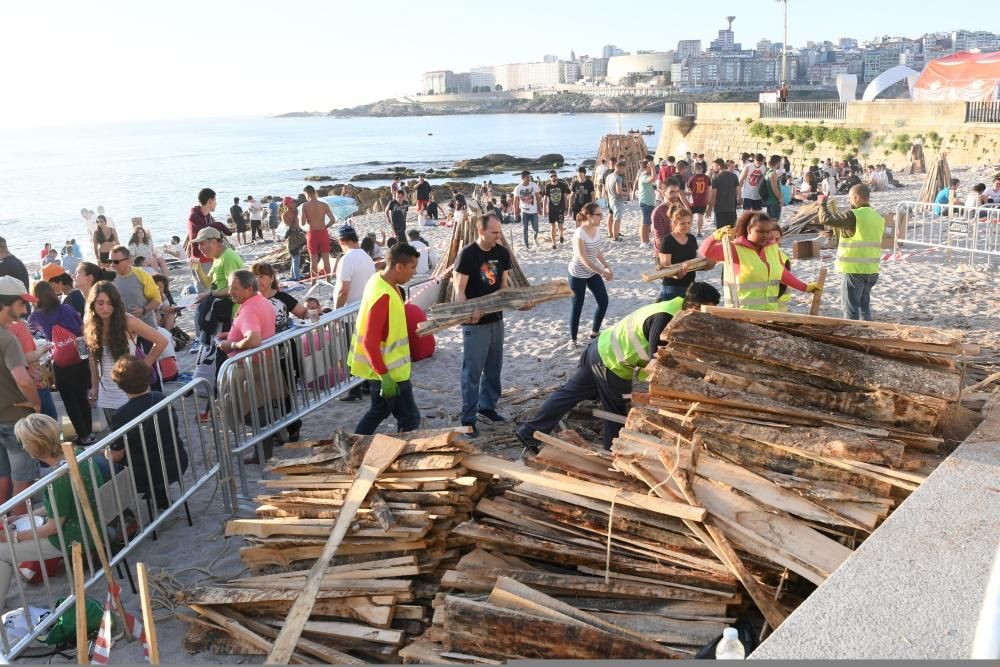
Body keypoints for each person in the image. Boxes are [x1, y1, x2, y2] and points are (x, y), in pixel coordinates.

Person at [517, 282, 722, 451]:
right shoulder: (666, 317)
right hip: (612, 360)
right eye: (707, 311)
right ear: (695, 307)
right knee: (616, 409)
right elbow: (657, 361)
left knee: (568, 394)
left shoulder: (675, 306)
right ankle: (613, 452)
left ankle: (529, 432)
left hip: (600, 348)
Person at [0, 414, 101, 604]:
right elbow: (60, 505)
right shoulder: (78, 454)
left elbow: (53, 528)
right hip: (92, 523)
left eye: (23, 442)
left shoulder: (58, 477)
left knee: (2, 553)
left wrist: (14, 537)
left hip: (76, 536)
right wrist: (26, 515)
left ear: (34, 445)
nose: (22, 446)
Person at [454, 213, 524, 437]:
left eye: (499, 231)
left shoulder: (502, 253)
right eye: (494, 232)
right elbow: (459, 291)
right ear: (480, 231)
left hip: (496, 320)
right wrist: (466, 314)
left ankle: (488, 407)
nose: (498, 236)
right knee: (472, 372)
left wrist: (520, 304)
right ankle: (468, 418)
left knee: (494, 369)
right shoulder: (467, 254)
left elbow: (503, 288)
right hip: (475, 324)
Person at [348, 243, 422, 435]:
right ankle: (356, 443)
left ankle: (355, 443)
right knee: (409, 418)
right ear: (399, 266)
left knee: (380, 411)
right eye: (412, 267)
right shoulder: (384, 295)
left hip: (388, 370)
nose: (414, 273)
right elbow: (369, 342)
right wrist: (385, 377)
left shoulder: (379, 280)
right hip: (389, 373)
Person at [217, 270, 283, 462]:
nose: (230, 292)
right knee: (260, 408)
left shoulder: (249, 309)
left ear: (249, 288)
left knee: (246, 412)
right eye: (230, 287)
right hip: (263, 362)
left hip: (249, 367)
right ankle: (267, 444)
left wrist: (231, 345)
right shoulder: (261, 300)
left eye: (235, 288)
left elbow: (253, 338)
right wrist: (232, 334)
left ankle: (263, 451)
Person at [108, 356, 189, 509]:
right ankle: (160, 498)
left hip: (145, 476)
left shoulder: (121, 415)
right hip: (176, 462)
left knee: (104, 466)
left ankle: (123, 515)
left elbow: (116, 456)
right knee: (150, 452)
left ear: (121, 385)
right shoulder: (160, 398)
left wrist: (105, 453)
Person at [700, 213, 817, 310]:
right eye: (760, 231)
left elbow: (781, 273)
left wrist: (805, 287)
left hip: (770, 312)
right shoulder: (736, 249)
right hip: (744, 315)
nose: (765, 236)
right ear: (749, 229)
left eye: (768, 232)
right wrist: (713, 237)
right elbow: (705, 252)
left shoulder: (772, 248)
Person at [85, 281, 167, 421]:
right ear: (92, 304)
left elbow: (161, 341)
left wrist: (143, 366)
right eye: (100, 303)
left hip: (132, 392)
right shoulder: (90, 325)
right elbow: (93, 358)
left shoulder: (127, 321)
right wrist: (94, 387)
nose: (105, 308)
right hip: (107, 395)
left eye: (110, 303)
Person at [28, 280, 92, 443]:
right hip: (80, 355)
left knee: (70, 400)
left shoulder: (35, 316)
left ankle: (83, 436)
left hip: (61, 362)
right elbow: (81, 329)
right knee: (82, 396)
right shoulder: (67, 308)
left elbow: (31, 337)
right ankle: (90, 433)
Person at [0, 278, 42, 506]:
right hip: (14, 421)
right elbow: (23, 381)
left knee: (2, 476)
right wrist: (35, 403)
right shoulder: (8, 339)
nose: (25, 310)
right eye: (21, 304)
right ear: (6, 304)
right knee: (22, 480)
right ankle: (13, 531)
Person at [817, 183, 885, 321]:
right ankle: (868, 331)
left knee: (851, 310)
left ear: (857, 197)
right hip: (872, 269)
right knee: (864, 306)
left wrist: (822, 204)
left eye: (850, 198)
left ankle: (854, 336)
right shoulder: (878, 218)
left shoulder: (853, 215)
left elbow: (825, 219)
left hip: (854, 270)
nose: (849, 201)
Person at [567, 203, 612, 346]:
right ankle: (573, 339)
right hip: (577, 274)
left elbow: (597, 251)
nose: (601, 217)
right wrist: (602, 272)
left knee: (603, 301)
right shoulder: (579, 233)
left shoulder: (597, 229)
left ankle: (595, 332)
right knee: (577, 306)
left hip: (592, 272)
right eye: (598, 214)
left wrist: (606, 265)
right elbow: (584, 259)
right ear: (589, 216)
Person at [658, 206, 711, 302]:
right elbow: (665, 269)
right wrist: (678, 275)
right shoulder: (667, 240)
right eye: (682, 223)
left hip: (690, 286)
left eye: (689, 223)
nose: (686, 226)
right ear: (674, 223)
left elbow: (696, 260)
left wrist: (708, 264)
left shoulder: (691, 238)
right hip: (672, 288)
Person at [186, 188, 233, 292]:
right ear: (209, 201)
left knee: (213, 286)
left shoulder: (208, 216)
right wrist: (219, 225)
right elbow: (202, 233)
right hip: (196, 258)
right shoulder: (193, 216)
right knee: (202, 289)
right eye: (215, 200)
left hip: (209, 256)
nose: (216, 203)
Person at [109, 246, 161, 329]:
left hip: (146, 325)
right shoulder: (110, 278)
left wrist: (143, 310)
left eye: (116, 262)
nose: (112, 265)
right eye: (110, 261)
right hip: (124, 328)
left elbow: (157, 299)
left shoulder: (142, 275)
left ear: (128, 261)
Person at [334, 225, 377, 309]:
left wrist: (336, 314)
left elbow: (343, 292)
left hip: (349, 314)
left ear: (341, 241)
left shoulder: (346, 259)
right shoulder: (367, 257)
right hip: (364, 309)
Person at [301, 185, 336, 278]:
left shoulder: (305, 206)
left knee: (313, 260)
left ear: (307, 193)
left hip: (312, 234)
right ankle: (328, 280)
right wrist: (326, 226)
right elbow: (333, 220)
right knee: (326, 259)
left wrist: (303, 214)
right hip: (323, 232)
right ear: (314, 192)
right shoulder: (324, 205)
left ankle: (313, 282)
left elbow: (303, 223)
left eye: (304, 194)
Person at [651, 180, 689, 255]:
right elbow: (659, 241)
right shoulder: (658, 212)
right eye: (672, 192)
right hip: (665, 254)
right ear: (663, 193)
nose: (675, 195)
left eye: (677, 191)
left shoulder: (680, 208)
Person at [707, 158, 740, 231]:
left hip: (720, 209)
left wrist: (709, 209)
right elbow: (738, 191)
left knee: (721, 232)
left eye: (714, 166)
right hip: (731, 208)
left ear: (718, 166)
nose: (713, 168)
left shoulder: (716, 178)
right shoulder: (734, 176)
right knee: (730, 231)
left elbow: (713, 196)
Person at [513, 170, 540, 249]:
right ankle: (527, 245)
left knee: (536, 228)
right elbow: (515, 202)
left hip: (534, 211)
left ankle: (534, 238)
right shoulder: (518, 188)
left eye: (529, 177)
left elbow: (538, 197)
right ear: (523, 178)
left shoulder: (534, 185)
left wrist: (540, 208)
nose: (529, 178)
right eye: (527, 177)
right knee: (525, 229)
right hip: (524, 212)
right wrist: (515, 213)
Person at [544, 170, 571, 249]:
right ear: (549, 178)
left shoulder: (562, 185)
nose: (553, 177)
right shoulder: (548, 186)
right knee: (552, 227)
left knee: (560, 227)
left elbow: (566, 197)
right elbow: (545, 198)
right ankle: (553, 243)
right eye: (551, 176)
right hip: (551, 210)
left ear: (557, 176)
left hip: (560, 209)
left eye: (554, 175)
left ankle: (561, 235)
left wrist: (566, 208)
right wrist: (544, 210)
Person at [634, 160, 657, 248]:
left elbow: (654, 182)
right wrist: (652, 167)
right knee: (645, 223)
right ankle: (643, 242)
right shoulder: (643, 176)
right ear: (646, 167)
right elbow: (653, 178)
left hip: (649, 202)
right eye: (650, 167)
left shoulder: (647, 175)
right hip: (645, 202)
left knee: (647, 223)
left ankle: (646, 241)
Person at [687, 161, 712, 236]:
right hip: (703, 200)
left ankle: (688, 231)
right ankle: (698, 232)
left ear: (694, 169)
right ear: (702, 169)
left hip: (693, 200)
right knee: (700, 216)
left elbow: (689, 190)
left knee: (690, 216)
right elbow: (709, 190)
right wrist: (708, 200)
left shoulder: (692, 178)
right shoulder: (707, 178)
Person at [605, 161, 627, 242]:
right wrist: (626, 193)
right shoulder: (618, 178)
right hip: (618, 200)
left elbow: (606, 189)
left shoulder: (608, 176)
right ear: (619, 167)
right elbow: (619, 192)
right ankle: (615, 236)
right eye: (623, 169)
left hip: (611, 199)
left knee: (610, 216)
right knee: (617, 219)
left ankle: (610, 233)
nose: (623, 171)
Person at [763, 154, 784, 221]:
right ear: (778, 163)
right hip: (774, 201)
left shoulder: (768, 172)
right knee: (774, 222)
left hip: (769, 200)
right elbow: (774, 188)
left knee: (769, 222)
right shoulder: (774, 174)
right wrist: (780, 198)